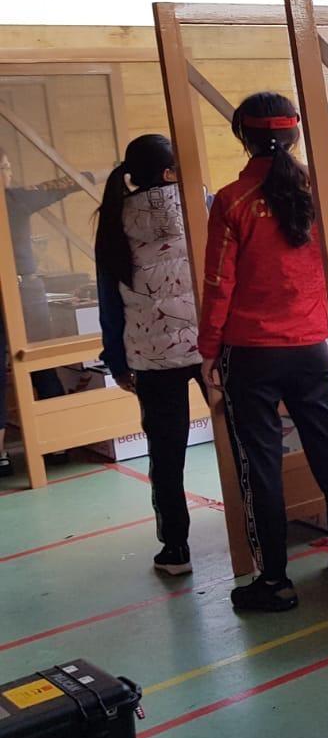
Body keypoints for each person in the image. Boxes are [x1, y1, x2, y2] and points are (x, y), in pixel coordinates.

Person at [199, 91, 328, 613]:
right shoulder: (320, 195)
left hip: (250, 354)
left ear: (243, 136)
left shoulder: (231, 201)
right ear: (295, 134)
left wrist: (208, 351)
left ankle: (273, 581)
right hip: (312, 349)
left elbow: (218, 284)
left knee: (260, 464)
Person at [94, 134, 204, 575]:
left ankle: (175, 549)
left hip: (149, 356)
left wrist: (116, 361)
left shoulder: (113, 219)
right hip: (209, 347)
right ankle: (253, 537)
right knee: (240, 441)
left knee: (166, 453)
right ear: (168, 171)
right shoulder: (201, 203)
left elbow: (109, 299)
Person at [0, 152, 87, 475]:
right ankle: (59, 444)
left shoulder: (15, 198)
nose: (10, 173)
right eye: (7, 167)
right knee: (41, 364)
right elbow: (62, 185)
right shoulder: (14, 199)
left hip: (22, 291)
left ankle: (6, 457)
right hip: (24, 292)